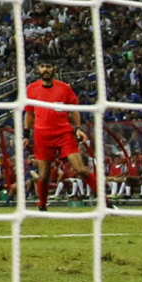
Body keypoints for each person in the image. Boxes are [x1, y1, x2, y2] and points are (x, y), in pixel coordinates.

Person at [24, 60, 101, 211]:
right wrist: (26, 134)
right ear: (38, 69)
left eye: (48, 66)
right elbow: (29, 113)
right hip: (42, 135)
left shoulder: (64, 88)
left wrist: (78, 128)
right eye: (43, 66)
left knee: (81, 170)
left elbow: (74, 110)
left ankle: (104, 200)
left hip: (64, 133)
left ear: (53, 69)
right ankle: (43, 205)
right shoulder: (31, 89)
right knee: (44, 175)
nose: (45, 69)